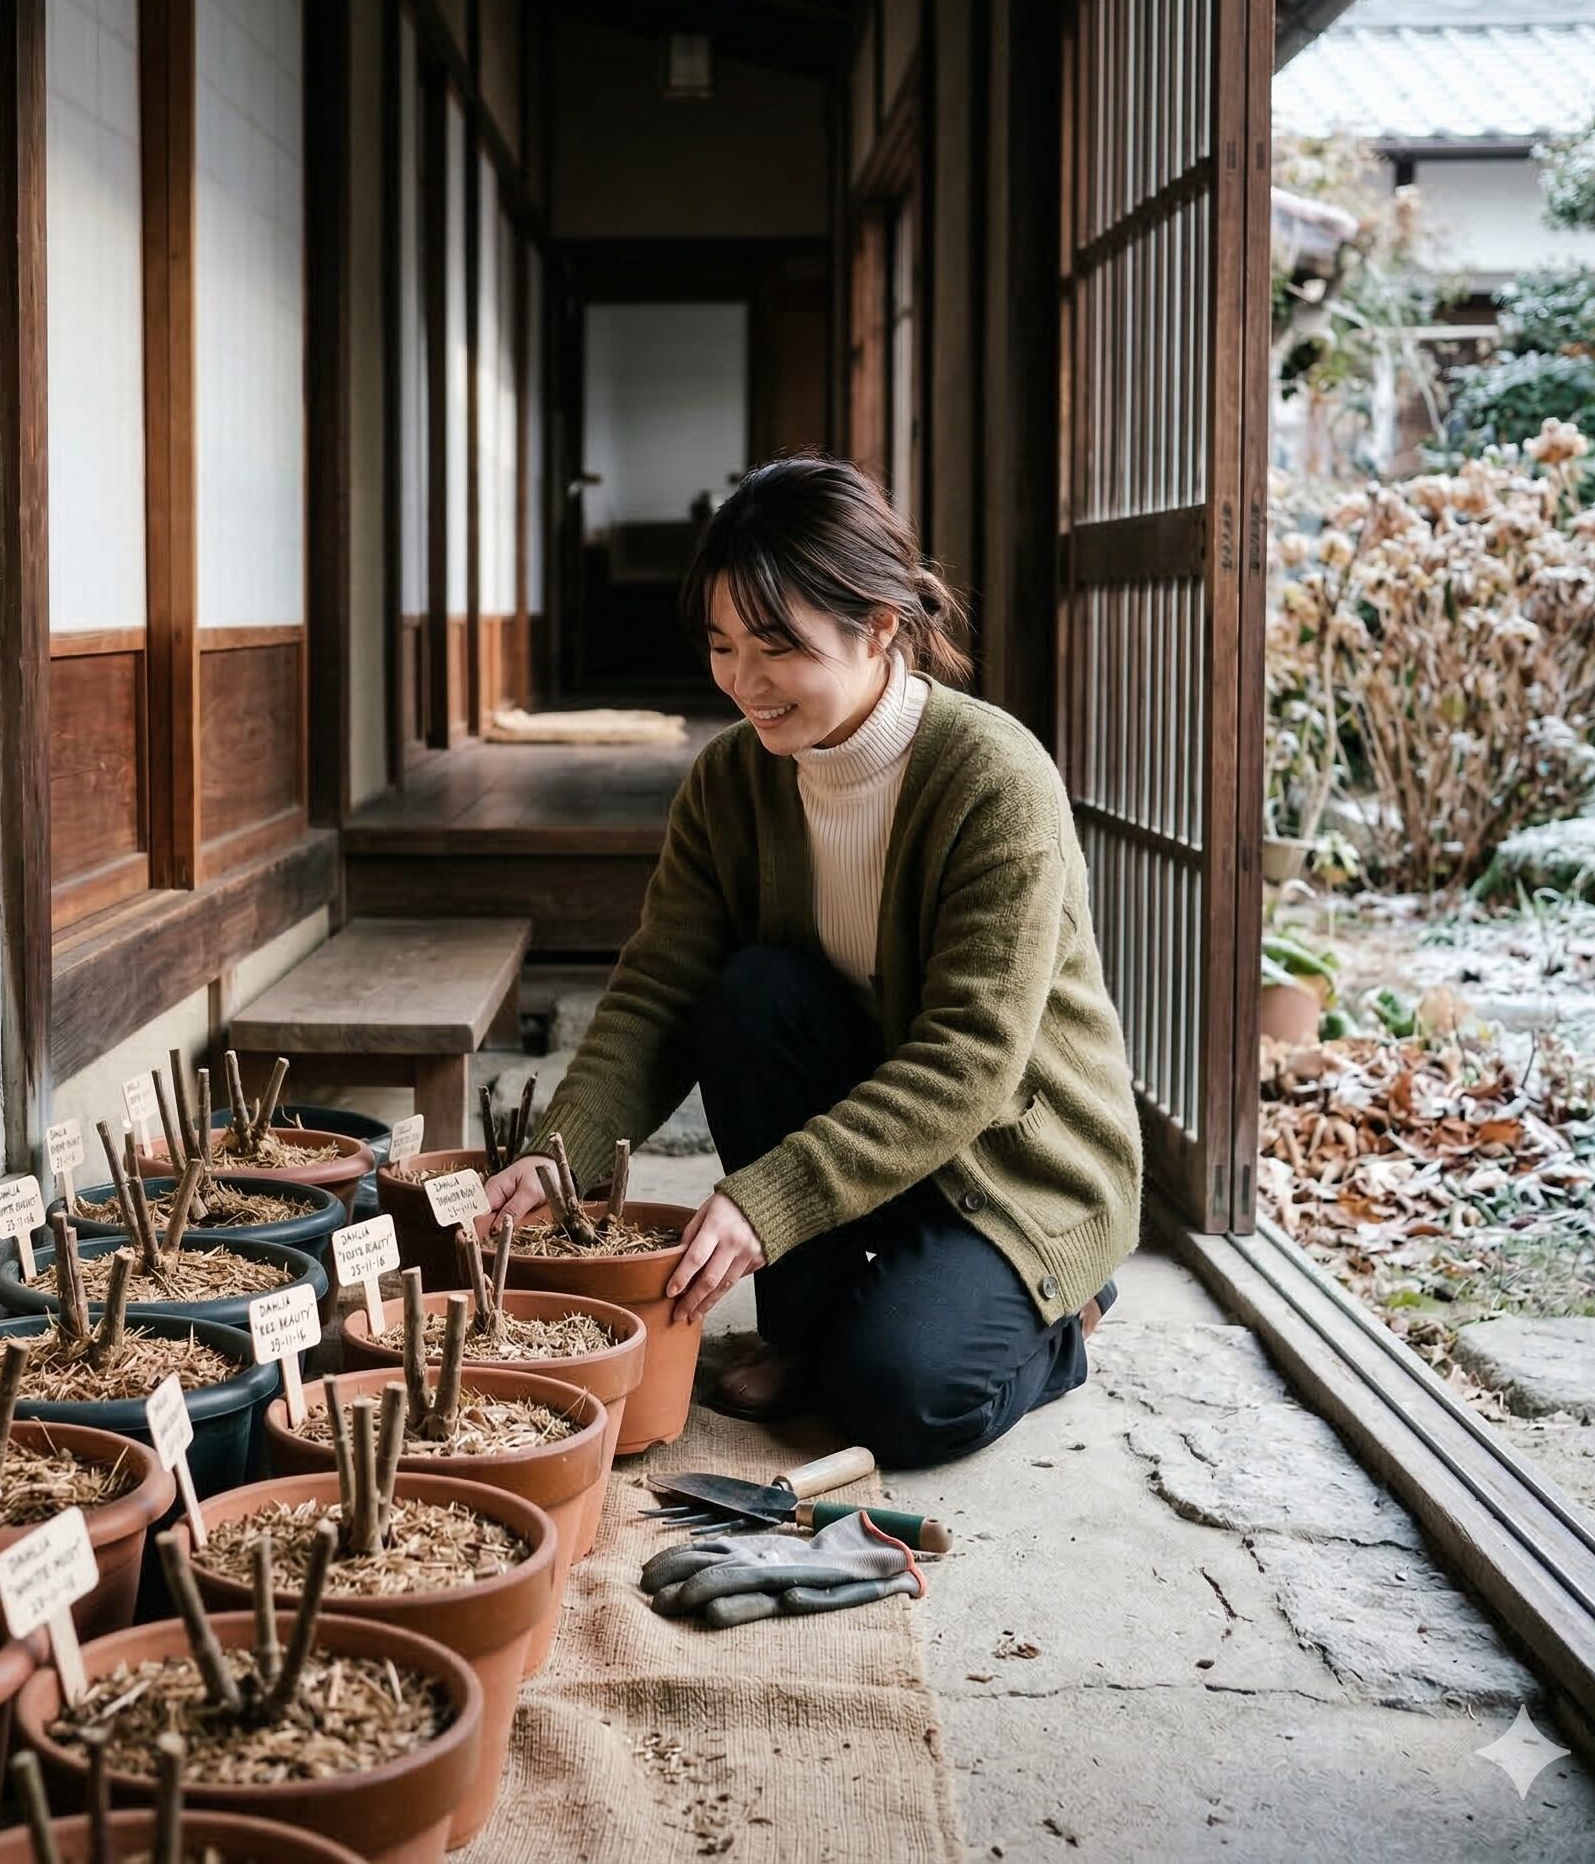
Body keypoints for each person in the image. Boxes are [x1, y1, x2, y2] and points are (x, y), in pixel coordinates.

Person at [482, 455, 1142, 1467]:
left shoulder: (991, 777)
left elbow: (969, 1060)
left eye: (775, 647)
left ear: (879, 626)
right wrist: (556, 1151)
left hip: (1012, 1154)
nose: (742, 681)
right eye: (720, 645)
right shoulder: (728, 784)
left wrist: (767, 1199)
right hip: (876, 1127)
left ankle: (1062, 1318)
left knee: (901, 1399)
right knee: (747, 992)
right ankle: (804, 1323)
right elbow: (659, 988)